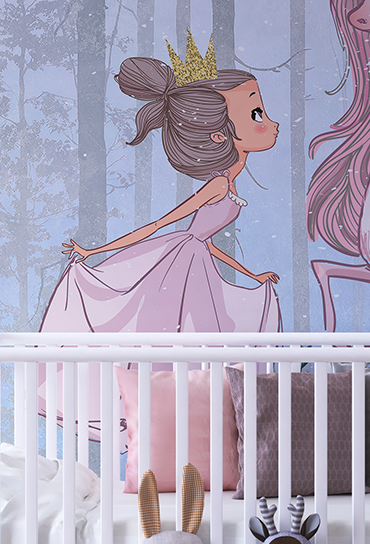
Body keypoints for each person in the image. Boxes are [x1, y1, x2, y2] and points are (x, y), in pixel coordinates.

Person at [37, 33, 282, 440]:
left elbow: (206, 242)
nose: (270, 123)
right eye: (256, 114)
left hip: (196, 263)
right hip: (178, 268)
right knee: (177, 343)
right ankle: (168, 428)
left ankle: (192, 429)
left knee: (200, 345)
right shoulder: (218, 185)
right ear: (220, 135)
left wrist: (252, 275)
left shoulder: (227, 182)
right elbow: (160, 226)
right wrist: (94, 251)